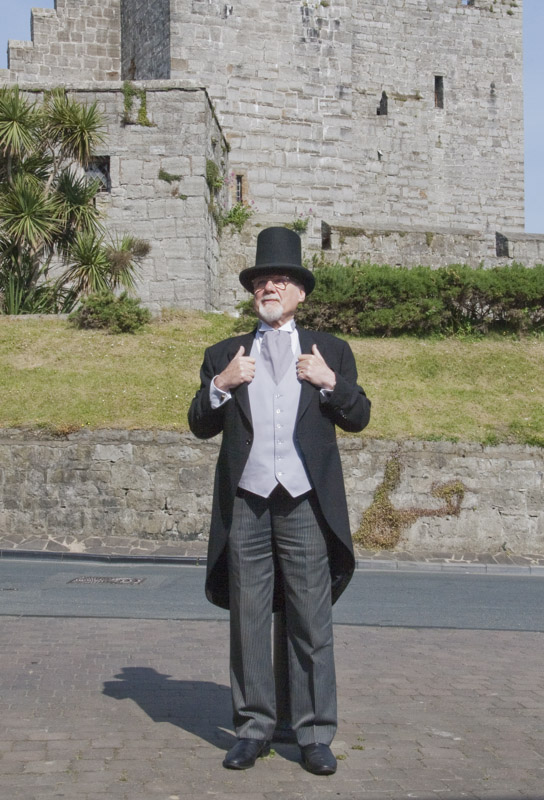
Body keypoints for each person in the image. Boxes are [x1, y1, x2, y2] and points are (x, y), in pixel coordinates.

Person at [188, 227, 370, 774]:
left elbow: (358, 417)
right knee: (248, 619)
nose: (271, 286)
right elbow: (199, 423)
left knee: (311, 620)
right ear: (253, 293)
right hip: (247, 502)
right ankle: (253, 727)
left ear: (300, 294)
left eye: (282, 279)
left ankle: (314, 733)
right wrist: (220, 384)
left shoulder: (329, 350)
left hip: (304, 503)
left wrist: (329, 380)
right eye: (263, 280)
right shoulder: (225, 353)